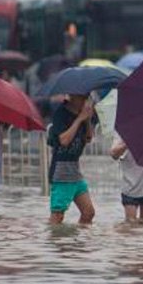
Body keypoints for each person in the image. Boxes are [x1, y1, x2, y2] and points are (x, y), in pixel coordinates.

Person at [48, 94, 96, 224]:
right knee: (58, 215)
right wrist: (79, 119)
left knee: (88, 213)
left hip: (75, 170)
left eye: (87, 97)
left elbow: (88, 138)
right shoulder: (61, 113)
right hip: (61, 171)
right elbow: (64, 140)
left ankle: (78, 242)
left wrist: (86, 120)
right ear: (73, 96)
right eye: (83, 97)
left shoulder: (85, 114)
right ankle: (55, 242)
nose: (86, 100)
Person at [110, 136, 143, 223]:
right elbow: (114, 154)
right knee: (130, 223)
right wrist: (128, 143)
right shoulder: (124, 131)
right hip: (131, 183)